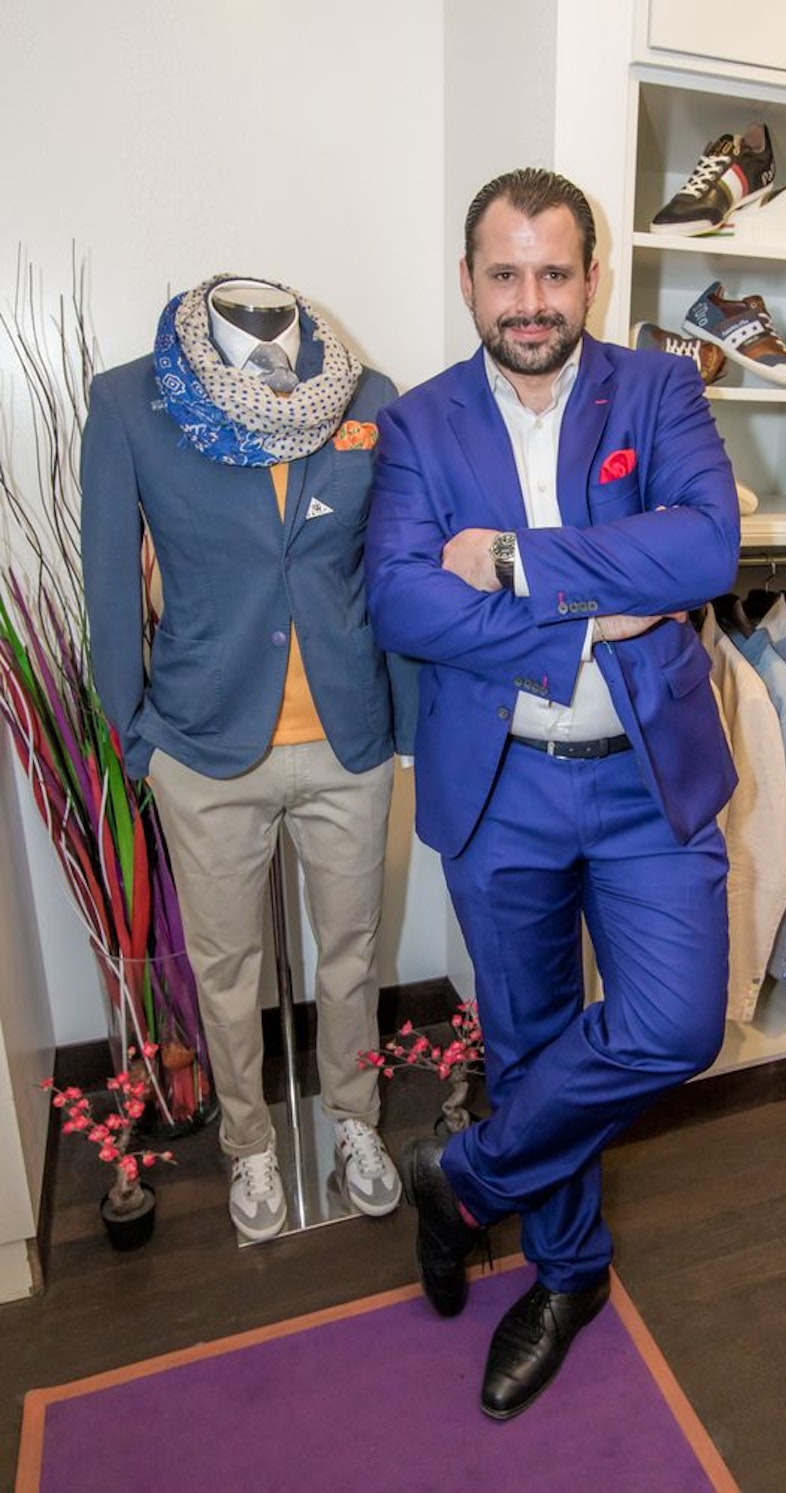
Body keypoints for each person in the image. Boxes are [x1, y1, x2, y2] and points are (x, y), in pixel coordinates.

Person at [364, 169, 740, 1419]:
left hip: (646, 778)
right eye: (505, 273)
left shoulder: (660, 389)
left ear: (593, 277)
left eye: (555, 272)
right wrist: (592, 614)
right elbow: (404, 601)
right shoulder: (417, 424)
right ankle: (569, 1272)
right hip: (501, 788)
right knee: (529, 1045)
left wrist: (516, 560)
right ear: (468, 281)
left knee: (675, 1025)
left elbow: (704, 546)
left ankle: (466, 1178)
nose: (531, 299)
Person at [82, 276, 417, 1242]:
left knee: (350, 951)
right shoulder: (134, 399)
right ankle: (250, 1140)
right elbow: (110, 579)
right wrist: (134, 732)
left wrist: (405, 725)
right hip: (204, 743)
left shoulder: (367, 397)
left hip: (347, 738)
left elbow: (392, 569)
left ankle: (353, 1118)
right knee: (228, 969)